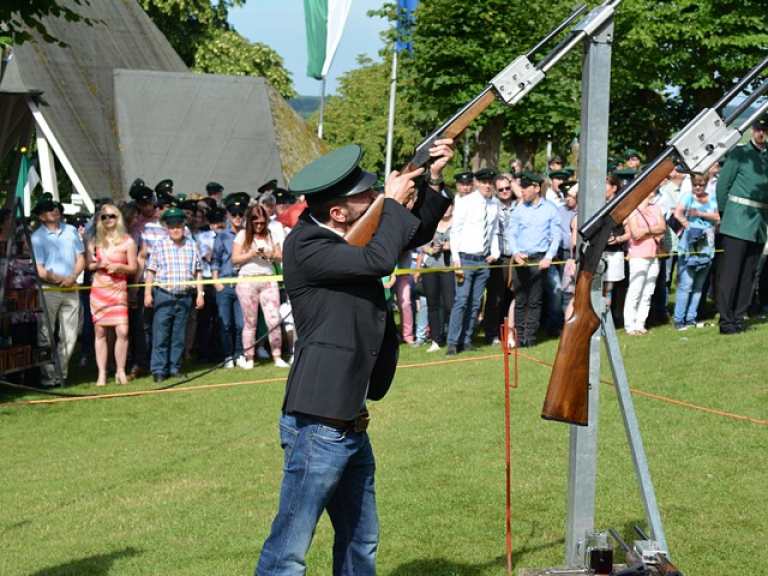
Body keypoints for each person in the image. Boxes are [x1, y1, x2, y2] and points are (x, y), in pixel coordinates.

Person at [255, 139, 454, 576]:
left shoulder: (342, 236)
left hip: (348, 415)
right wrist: (393, 202)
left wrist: (432, 178)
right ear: (339, 213)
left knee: (361, 540)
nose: (377, 199)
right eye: (368, 197)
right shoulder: (307, 244)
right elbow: (380, 259)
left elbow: (412, 233)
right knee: (289, 550)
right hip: (320, 418)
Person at [715, 116, 768, 334]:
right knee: (731, 273)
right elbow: (722, 186)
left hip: (759, 223)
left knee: (749, 274)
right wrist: (725, 214)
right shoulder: (739, 153)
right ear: (753, 130)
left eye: (765, 129)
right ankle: (726, 321)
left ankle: (738, 317)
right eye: (759, 129)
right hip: (737, 220)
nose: (762, 133)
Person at [144, 207, 204, 382]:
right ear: (167, 228)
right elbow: (151, 271)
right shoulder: (160, 245)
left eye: (178, 226)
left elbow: (198, 272)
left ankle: (174, 367)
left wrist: (200, 294)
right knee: (161, 334)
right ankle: (158, 369)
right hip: (164, 294)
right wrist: (148, 294)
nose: (175, 229)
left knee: (179, 335)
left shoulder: (192, 245)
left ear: (184, 226)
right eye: (171, 226)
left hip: (184, 295)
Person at [30, 194, 85, 386]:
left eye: (54, 207)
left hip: (71, 287)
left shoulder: (71, 230)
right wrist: (62, 279)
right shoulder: (36, 237)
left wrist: (72, 277)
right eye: (47, 209)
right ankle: (48, 377)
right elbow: (40, 270)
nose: (53, 211)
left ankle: (60, 374)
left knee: (70, 335)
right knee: (45, 334)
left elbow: (81, 258)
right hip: (49, 289)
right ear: (41, 216)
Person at [445, 167, 500, 355]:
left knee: (476, 303)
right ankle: (453, 342)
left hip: (483, 260)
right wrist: (456, 258)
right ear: (477, 183)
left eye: (490, 183)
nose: (487, 186)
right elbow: (455, 231)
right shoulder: (465, 202)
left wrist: (495, 252)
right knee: (461, 301)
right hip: (465, 258)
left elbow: (494, 231)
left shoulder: (494, 204)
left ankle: (467, 340)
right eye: (484, 182)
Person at [505, 172, 560, 347]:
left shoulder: (550, 209)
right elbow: (511, 233)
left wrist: (548, 257)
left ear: (536, 188)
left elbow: (556, 236)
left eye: (525, 188)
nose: (521, 191)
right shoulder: (519, 209)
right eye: (521, 187)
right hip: (521, 259)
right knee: (520, 300)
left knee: (535, 300)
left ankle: (530, 338)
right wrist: (515, 253)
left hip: (539, 259)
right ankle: (519, 337)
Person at [232, 203, 288, 369]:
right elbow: (235, 259)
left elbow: (280, 256)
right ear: (250, 221)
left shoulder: (271, 234)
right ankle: (249, 357)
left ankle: (277, 355)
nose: (259, 225)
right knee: (250, 321)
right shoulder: (242, 235)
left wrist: (269, 253)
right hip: (247, 280)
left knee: (274, 319)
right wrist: (251, 254)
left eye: (262, 222)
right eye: (256, 222)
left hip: (268, 279)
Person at [87, 203, 138, 386]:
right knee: (100, 332)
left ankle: (120, 370)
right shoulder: (95, 240)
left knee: (122, 331)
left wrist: (120, 267)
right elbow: (89, 265)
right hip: (100, 289)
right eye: (104, 217)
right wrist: (98, 265)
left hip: (118, 289)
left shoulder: (128, 241)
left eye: (112, 216)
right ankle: (102, 373)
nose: (108, 220)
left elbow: (133, 268)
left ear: (118, 218)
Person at [672, 173, 719, 330]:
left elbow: (717, 217)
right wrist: (688, 225)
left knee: (699, 286)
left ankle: (691, 318)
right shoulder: (688, 197)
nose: (698, 188)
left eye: (701, 185)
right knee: (686, 285)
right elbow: (677, 213)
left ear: (706, 184)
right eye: (695, 185)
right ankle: (679, 319)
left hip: (707, 244)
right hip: (690, 244)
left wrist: (700, 214)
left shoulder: (712, 198)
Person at [212, 193, 249, 368]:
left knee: (241, 324)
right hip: (225, 282)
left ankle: (239, 353)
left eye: (240, 214)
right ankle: (228, 355)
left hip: (242, 282)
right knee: (225, 323)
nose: (237, 217)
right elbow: (215, 260)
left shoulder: (248, 234)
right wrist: (216, 281)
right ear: (228, 215)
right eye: (234, 214)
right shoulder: (222, 236)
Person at [623, 191, 666, 335]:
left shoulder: (656, 208)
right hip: (638, 255)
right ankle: (630, 325)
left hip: (654, 254)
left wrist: (646, 231)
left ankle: (640, 324)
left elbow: (663, 228)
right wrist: (653, 231)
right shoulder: (632, 211)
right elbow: (636, 234)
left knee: (648, 291)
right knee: (635, 290)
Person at [415, 203, 454, 352]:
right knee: (432, 304)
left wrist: (451, 245)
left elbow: (463, 242)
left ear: (453, 207)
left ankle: (452, 337)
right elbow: (422, 244)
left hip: (449, 267)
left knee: (450, 304)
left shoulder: (458, 223)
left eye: (448, 206)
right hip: (430, 267)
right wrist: (431, 249)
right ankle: (436, 340)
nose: (446, 209)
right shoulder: (431, 223)